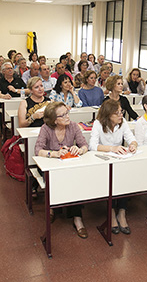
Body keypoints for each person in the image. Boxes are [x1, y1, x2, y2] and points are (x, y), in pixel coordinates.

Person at [35, 102, 89, 238]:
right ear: (54, 120)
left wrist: (79, 150)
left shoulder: (73, 126)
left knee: (74, 180)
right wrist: (54, 153)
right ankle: (53, 206)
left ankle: (76, 217)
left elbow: (84, 145)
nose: (67, 116)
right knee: (59, 179)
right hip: (50, 164)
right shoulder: (46, 128)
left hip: (67, 165)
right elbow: (38, 150)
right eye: (63, 115)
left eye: (67, 112)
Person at [89, 99, 138, 234]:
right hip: (103, 161)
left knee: (123, 179)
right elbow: (92, 146)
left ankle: (121, 212)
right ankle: (111, 212)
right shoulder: (98, 124)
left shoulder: (123, 123)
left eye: (121, 112)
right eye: (117, 113)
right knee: (110, 182)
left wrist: (133, 145)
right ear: (108, 114)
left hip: (118, 160)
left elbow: (131, 138)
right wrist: (112, 148)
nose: (121, 115)